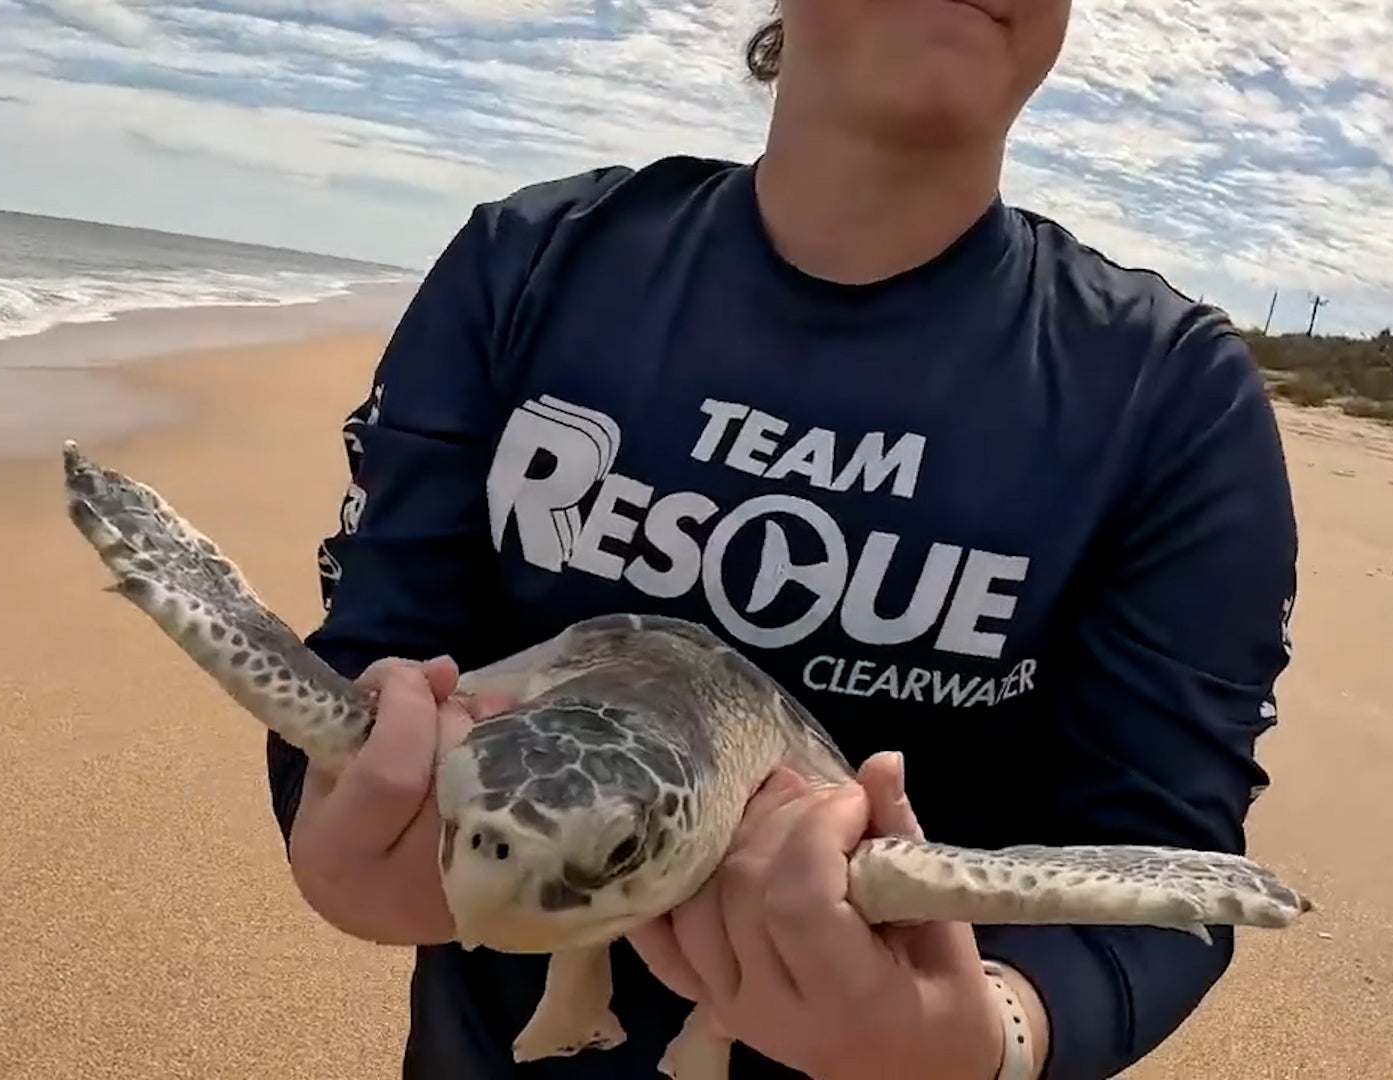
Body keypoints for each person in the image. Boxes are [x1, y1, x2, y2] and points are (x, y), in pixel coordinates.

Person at [267, 0, 1300, 1078]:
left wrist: (985, 1032)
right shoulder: (529, 267)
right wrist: (327, 818)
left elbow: (1165, 860)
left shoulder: (1167, 397)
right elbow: (369, 657)